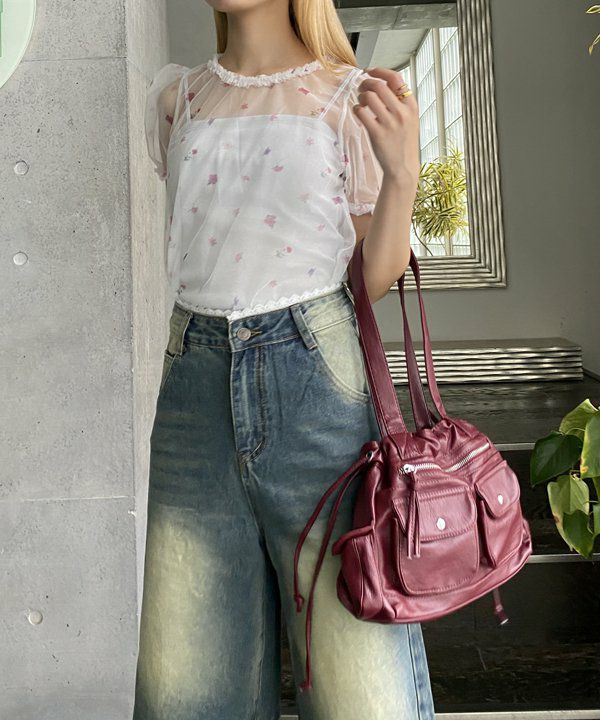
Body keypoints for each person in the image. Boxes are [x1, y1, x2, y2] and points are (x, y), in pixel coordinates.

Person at [132, 0, 435, 717]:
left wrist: (403, 176)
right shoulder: (178, 97)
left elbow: (371, 279)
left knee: (361, 684)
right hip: (194, 385)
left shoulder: (348, 94)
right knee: (188, 684)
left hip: (316, 383)